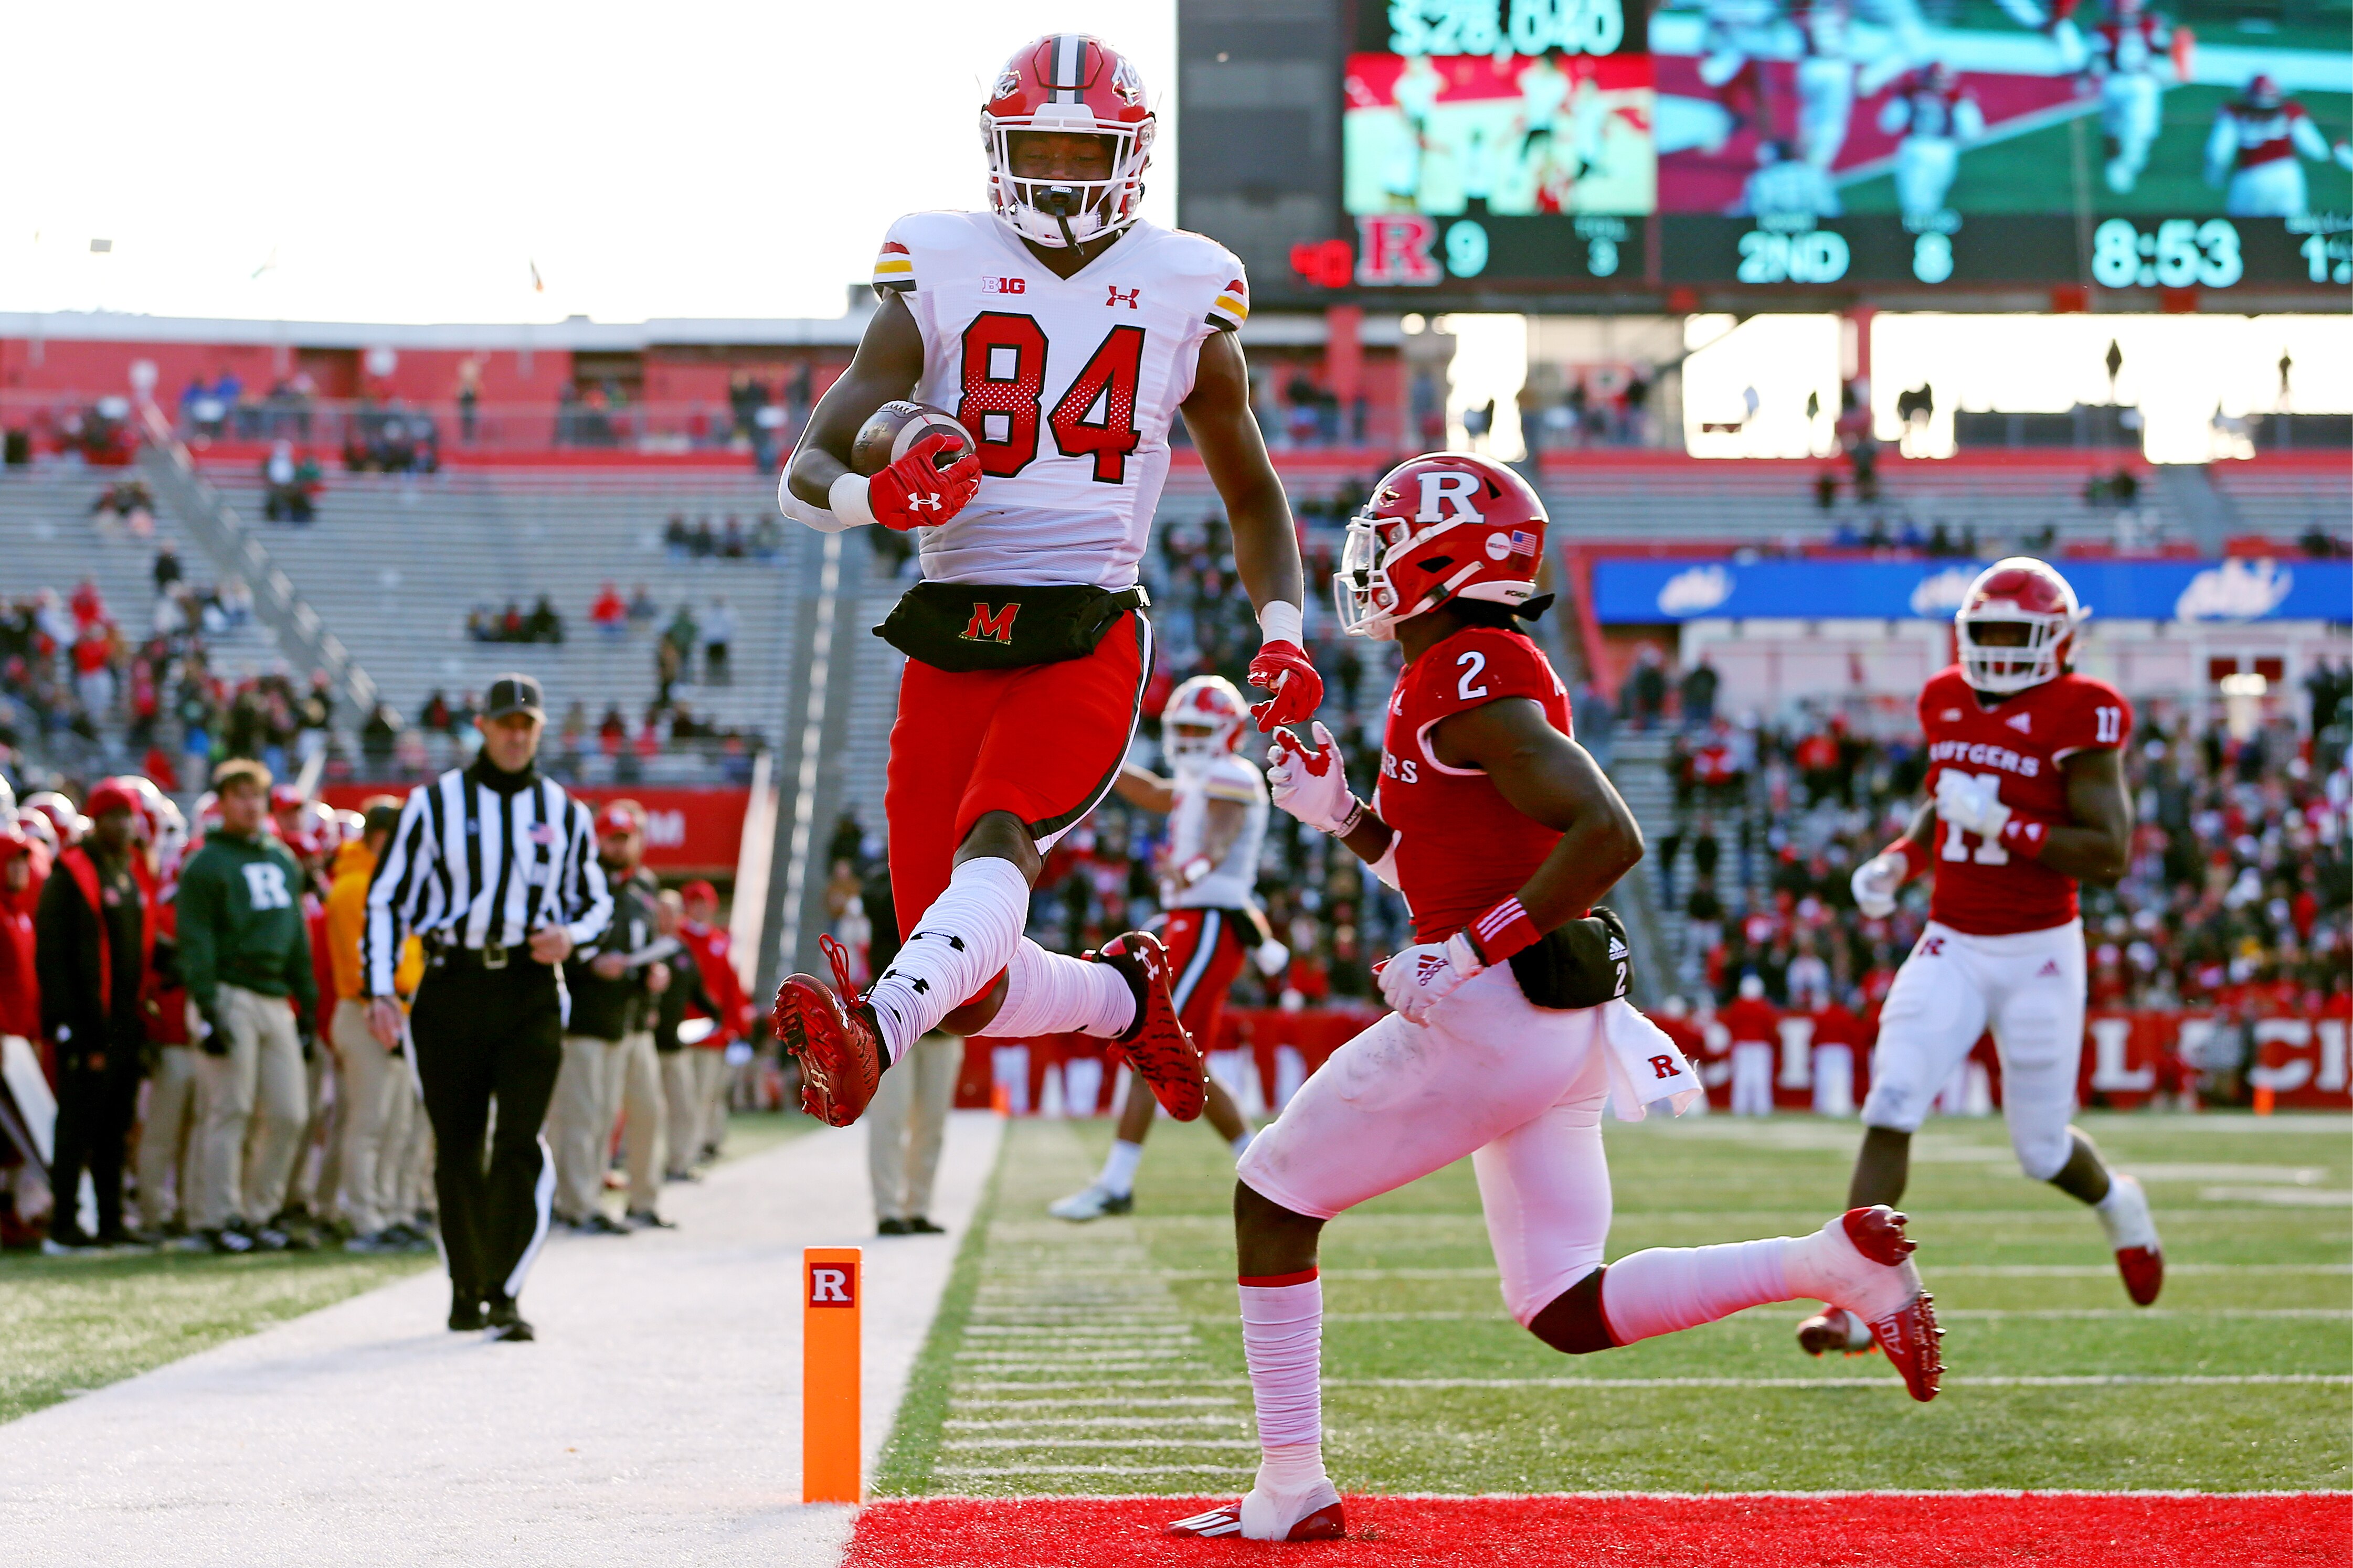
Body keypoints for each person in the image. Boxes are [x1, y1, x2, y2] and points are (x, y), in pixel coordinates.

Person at [1166, 454, 1943, 1543]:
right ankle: (1828, 1262)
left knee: (1271, 1193)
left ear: (1444, 560)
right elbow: (1452, 865)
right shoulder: (1458, 670)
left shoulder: (1467, 666)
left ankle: (1290, 1483)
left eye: (1390, 540)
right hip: (1547, 1016)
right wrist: (1342, 816)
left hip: (1494, 1015)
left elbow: (1607, 835)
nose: (1372, 561)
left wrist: (1466, 954)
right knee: (1565, 1305)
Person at [769, 33, 1320, 1135]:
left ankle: (871, 1030)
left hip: (1086, 619)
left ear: (1130, 155)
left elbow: (1252, 492)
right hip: (950, 629)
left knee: (999, 841)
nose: (1062, 175)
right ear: (997, 150)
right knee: (965, 994)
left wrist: (1283, 630)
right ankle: (1122, 996)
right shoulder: (936, 258)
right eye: (1042, 150)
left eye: (1085, 151)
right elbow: (806, 472)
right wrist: (881, 500)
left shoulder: (1186, 281)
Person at [1817, 557, 2160, 1357]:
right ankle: (1856, 1298)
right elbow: (1947, 804)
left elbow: (2107, 853)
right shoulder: (1944, 698)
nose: (2001, 647)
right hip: (1954, 938)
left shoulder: (2086, 709)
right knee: (1893, 1097)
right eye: (1989, 632)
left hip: (2040, 949)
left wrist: (2004, 820)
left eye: (2019, 633)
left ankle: (2119, 1204)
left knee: (2041, 1150)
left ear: (2060, 639)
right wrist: (1902, 858)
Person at [363, 675, 613, 1340]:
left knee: (519, 1142)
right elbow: (387, 896)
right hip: (451, 984)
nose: (514, 734)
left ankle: (504, 1288)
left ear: (539, 729)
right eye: (504, 722)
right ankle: (464, 1282)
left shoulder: (563, 810)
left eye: (526, 724)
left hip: (530, 988)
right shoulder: (432, 804)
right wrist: (380, 985)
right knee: (457, 1145)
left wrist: (574, 936)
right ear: (482, 726)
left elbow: (597, 902)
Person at [1052, 676, 1277, 1221]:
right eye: (1183, 728)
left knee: (1153, 1046)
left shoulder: (1232, 774)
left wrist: (1194, 865)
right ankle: (1263, 1166)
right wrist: (1093, 760)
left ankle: (1117, 1184)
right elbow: (1151, 791)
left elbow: (1220, 835)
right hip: (1191, 922)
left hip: (1208, 921)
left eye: (1201, 727)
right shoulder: (1202, 777)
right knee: (1176, 1054)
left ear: (1226, 731)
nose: (1191, 737)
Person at [173, 763, 317, 1252]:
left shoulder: (281, 859)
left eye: (257, 796)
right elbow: (196, 940)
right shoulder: (206, 863)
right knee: (229, 1109)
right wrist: (208, 1005)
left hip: (276, 996)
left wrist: (309, 1002)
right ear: (222, 802)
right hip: (230, 989)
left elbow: (297, 938)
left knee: (291, 1112)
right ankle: (218, 1216)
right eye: (240, 796)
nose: (251, 805)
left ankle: (260, 1211)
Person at [35, 781, 158, 1249]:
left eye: (128, 816)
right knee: (76, 1127)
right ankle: (63, 1222)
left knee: (115, 1126)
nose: (123, 825)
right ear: (95, 820)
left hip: (125, 1021)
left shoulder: (128, 871)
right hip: (89, 1024)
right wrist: (68, 1024)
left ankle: (110, 1220)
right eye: (114, 816)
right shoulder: (70, 874)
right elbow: (54, 955)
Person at [326, 800, 427, 1252]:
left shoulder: (399, 884)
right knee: (369, 1121)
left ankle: (390, 1210)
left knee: (398, 1123)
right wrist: (385, 1007)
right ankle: (364, 1217)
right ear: (376, 837)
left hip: (402, 1013)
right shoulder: (353, 887)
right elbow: (359, 963)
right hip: (368, 1010)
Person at [860, 861, 961, 1236]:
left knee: (933, 1120)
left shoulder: (954, 867)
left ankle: (918, 1205)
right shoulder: (883, 877)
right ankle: (887, 1208)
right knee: (891, 1114)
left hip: (944, 1014)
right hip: (893, 1014)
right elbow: (884, 907)